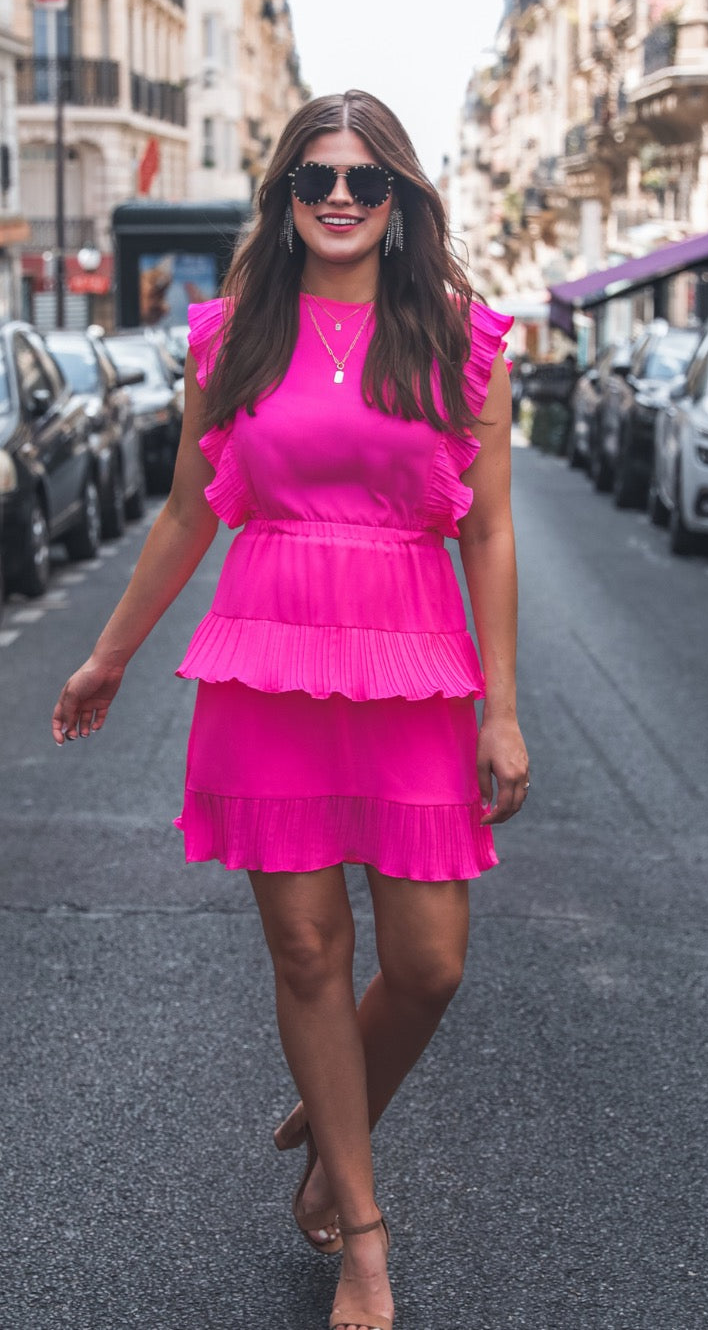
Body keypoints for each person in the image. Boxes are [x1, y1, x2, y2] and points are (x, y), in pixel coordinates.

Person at [51, 89, 528, 1330]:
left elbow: (489, 530)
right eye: (315, 176)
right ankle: (358, 1229)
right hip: (265, 658)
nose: (338, 197)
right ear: (283, 194)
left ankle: (333, 1110)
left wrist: (504, 710)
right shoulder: (231, 337)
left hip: (415, 663)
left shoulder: (463, 337)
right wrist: (108, 656)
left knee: (428, 964)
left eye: (366, 182)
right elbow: (185, 512)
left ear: (402, 201)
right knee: (310, 950)